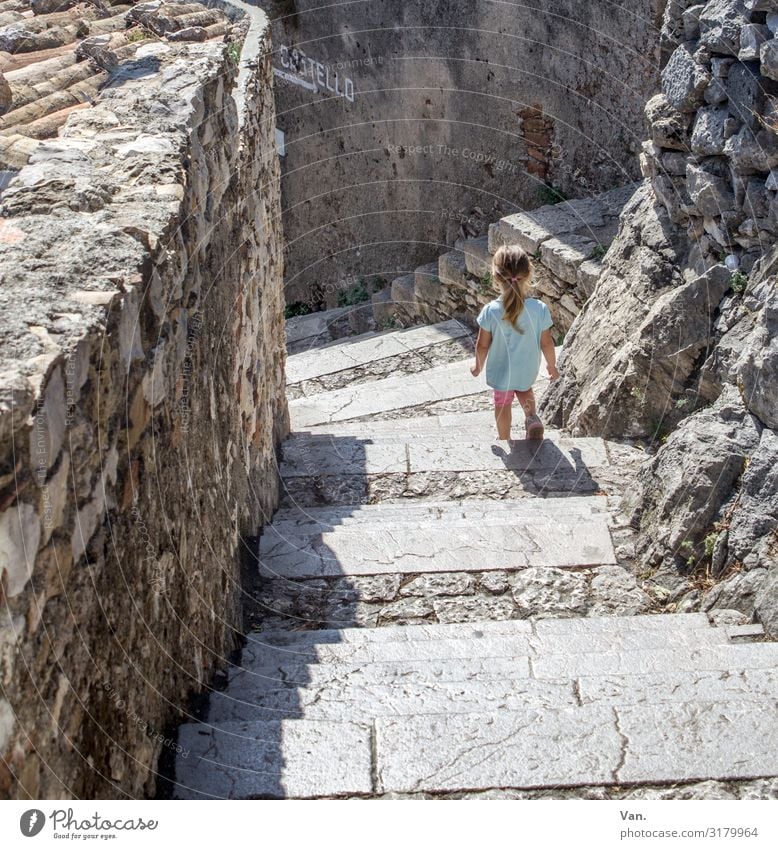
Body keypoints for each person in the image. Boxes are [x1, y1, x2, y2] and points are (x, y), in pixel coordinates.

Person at [470, 244, 559, 440]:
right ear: (527, 275)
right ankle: (532, 418)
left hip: (502, 373)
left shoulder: (491, 311)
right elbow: (547, 343)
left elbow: (483, 345)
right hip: (527, 369)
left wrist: (478, 366)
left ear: (495, 276)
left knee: (502, 405)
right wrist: (551, 366)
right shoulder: (539, 308)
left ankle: (504, 438)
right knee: (524, 390)